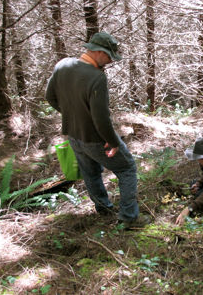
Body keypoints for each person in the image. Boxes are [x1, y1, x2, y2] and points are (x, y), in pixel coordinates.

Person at [46, 32, 151, 229]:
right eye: (110, 56)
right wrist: (113, 143)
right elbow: (101, 120)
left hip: (74, 137)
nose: (111, 61)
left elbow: (50, 97)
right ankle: (129, 217)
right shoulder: (97, 77)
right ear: (100, 52)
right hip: (95, 139)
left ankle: (103, 209)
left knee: (90, 173)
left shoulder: (63, 65)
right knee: (127, 168)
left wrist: (72, 115)